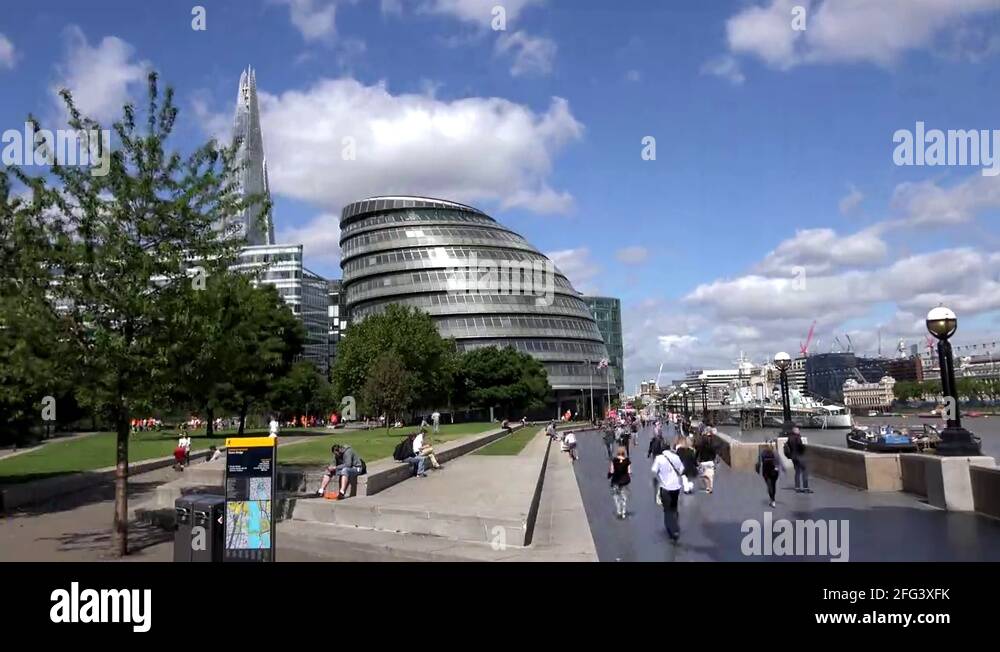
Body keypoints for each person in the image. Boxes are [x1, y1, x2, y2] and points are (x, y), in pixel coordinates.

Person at [651, 445, 685, 541]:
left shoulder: (659, 458)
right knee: (674, 507)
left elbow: (654, 471)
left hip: (665, 487)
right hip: (676, 487)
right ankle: (675, 526)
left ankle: (672, 530)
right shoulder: (675, 457)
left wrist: (659, 477)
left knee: (667, 510)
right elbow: (682, 470)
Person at [784, 427, 813, 493]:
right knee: (805, 471)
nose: (799, 431)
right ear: (796, 431)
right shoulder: (797, 437)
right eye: (798, 430)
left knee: (797, 472)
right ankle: (805, 488)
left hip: (793, 457)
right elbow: (800, 446)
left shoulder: (789, 438)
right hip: (799, 457)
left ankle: (797, 488)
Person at [608, 447, 632, 519]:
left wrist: (609, 475)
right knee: (624, 497)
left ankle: (618, 510)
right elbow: (629, 471)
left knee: (616, 496)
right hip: (624, 481)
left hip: (616, 481)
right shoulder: (627, 461)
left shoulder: (614, 460)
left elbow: (611, 471)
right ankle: (623, 511)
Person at [756, 441, 780, 507]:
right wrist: (779, 469)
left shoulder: (763, 453)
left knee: (769, 486)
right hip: (774, 472)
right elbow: (779, 462)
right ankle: (773, 499)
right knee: (773, 485)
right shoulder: (775, 452)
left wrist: (757, 470)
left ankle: (772, 500)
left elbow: (759, 462)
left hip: (766, 472)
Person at [696, 428, 719, 493]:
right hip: (710, 461)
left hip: (703, 461)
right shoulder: (712, 442)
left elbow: (697, 451)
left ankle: (707, 487)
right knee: (710, 475)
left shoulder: (700, 443)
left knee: (705, 475)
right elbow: (715, 452)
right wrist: (715, 460)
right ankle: (710, 487)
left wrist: (696, 459)